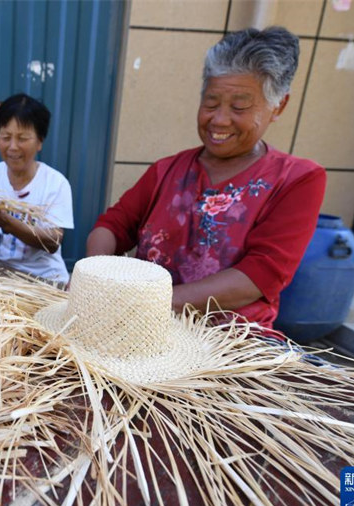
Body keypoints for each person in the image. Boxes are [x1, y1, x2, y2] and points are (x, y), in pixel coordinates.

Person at [86, 26, 326, 329]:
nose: (219, 119)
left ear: (278, 106)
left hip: (230, 347)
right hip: (141, 331)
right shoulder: (167, 170)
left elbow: (261, 274)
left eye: (239, 106)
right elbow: (113, 226)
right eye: (211, 103)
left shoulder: (297, 180)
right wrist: (92, 277)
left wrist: (147, 302)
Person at [0, 94, 74, 284]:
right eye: (5, 137)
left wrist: (6, 222)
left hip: (43, 278)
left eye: (22, 138)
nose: (13, 147)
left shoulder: (56, 183)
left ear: (39, 141)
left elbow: (53, 242)